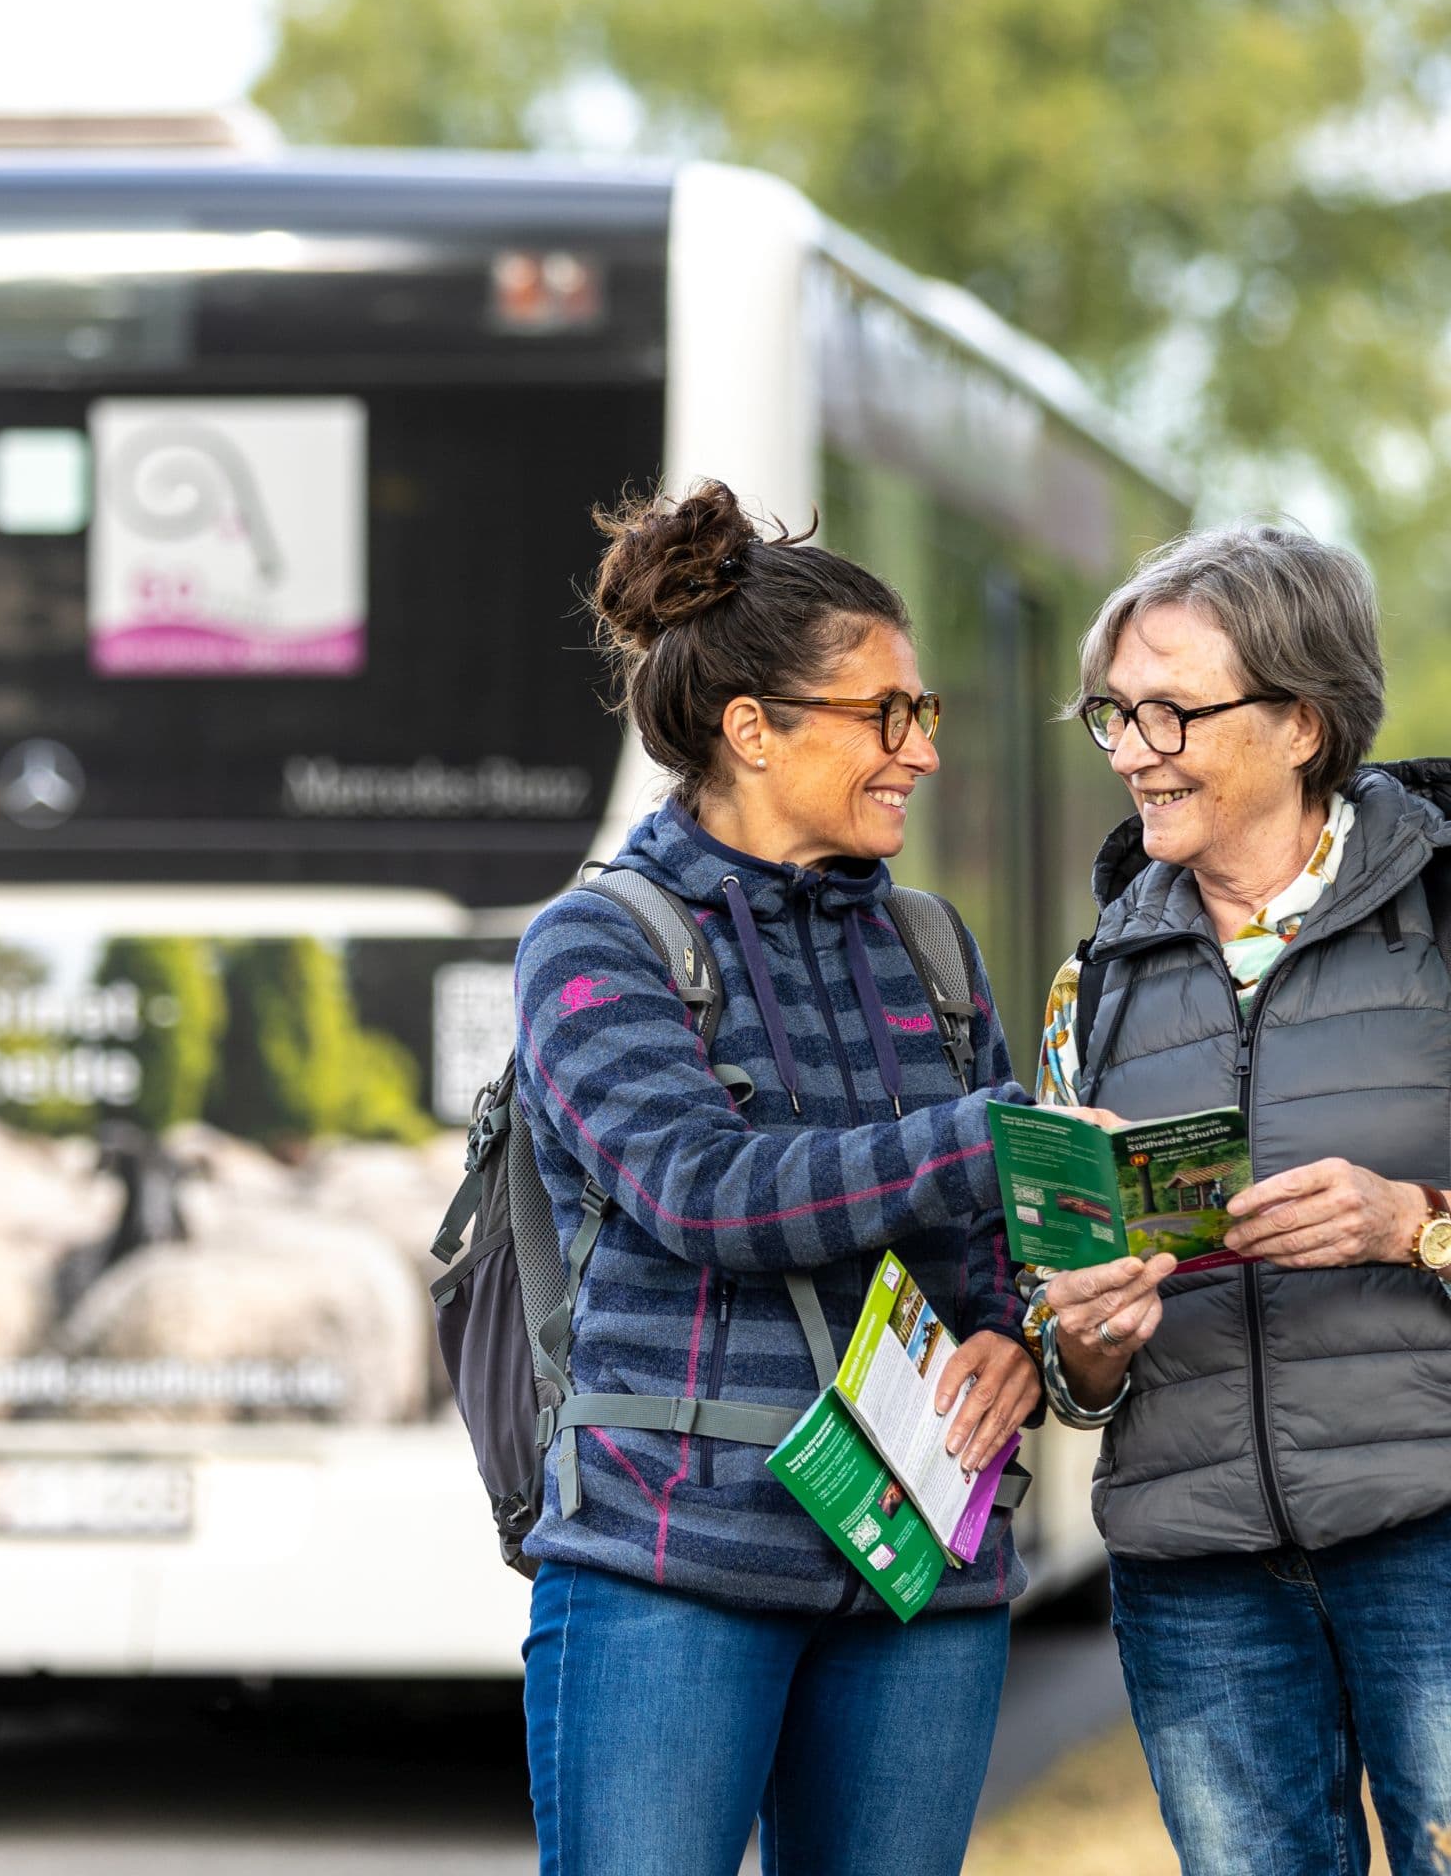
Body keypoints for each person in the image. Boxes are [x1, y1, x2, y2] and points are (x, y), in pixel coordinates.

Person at [1028, 520, 1451, 1876]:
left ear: (1303, 723)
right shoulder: (1097, 984)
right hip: (1199, 1579)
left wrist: (1415, 1223)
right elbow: (1064, 1353)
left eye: (1171, 712)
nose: (1133, 749)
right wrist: (1086, 1339)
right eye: (1113, 715)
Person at [511, 480, 1041, 1876]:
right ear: (751, 729)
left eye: (921, 713)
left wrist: (1016, 1336)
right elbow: (706, 1190)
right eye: (888, 715)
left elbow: (992, 1250)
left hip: (921, 1559)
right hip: (670, 1568)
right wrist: (981, 1135)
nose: (922, 752)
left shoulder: (933, 950)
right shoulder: (595, 944)